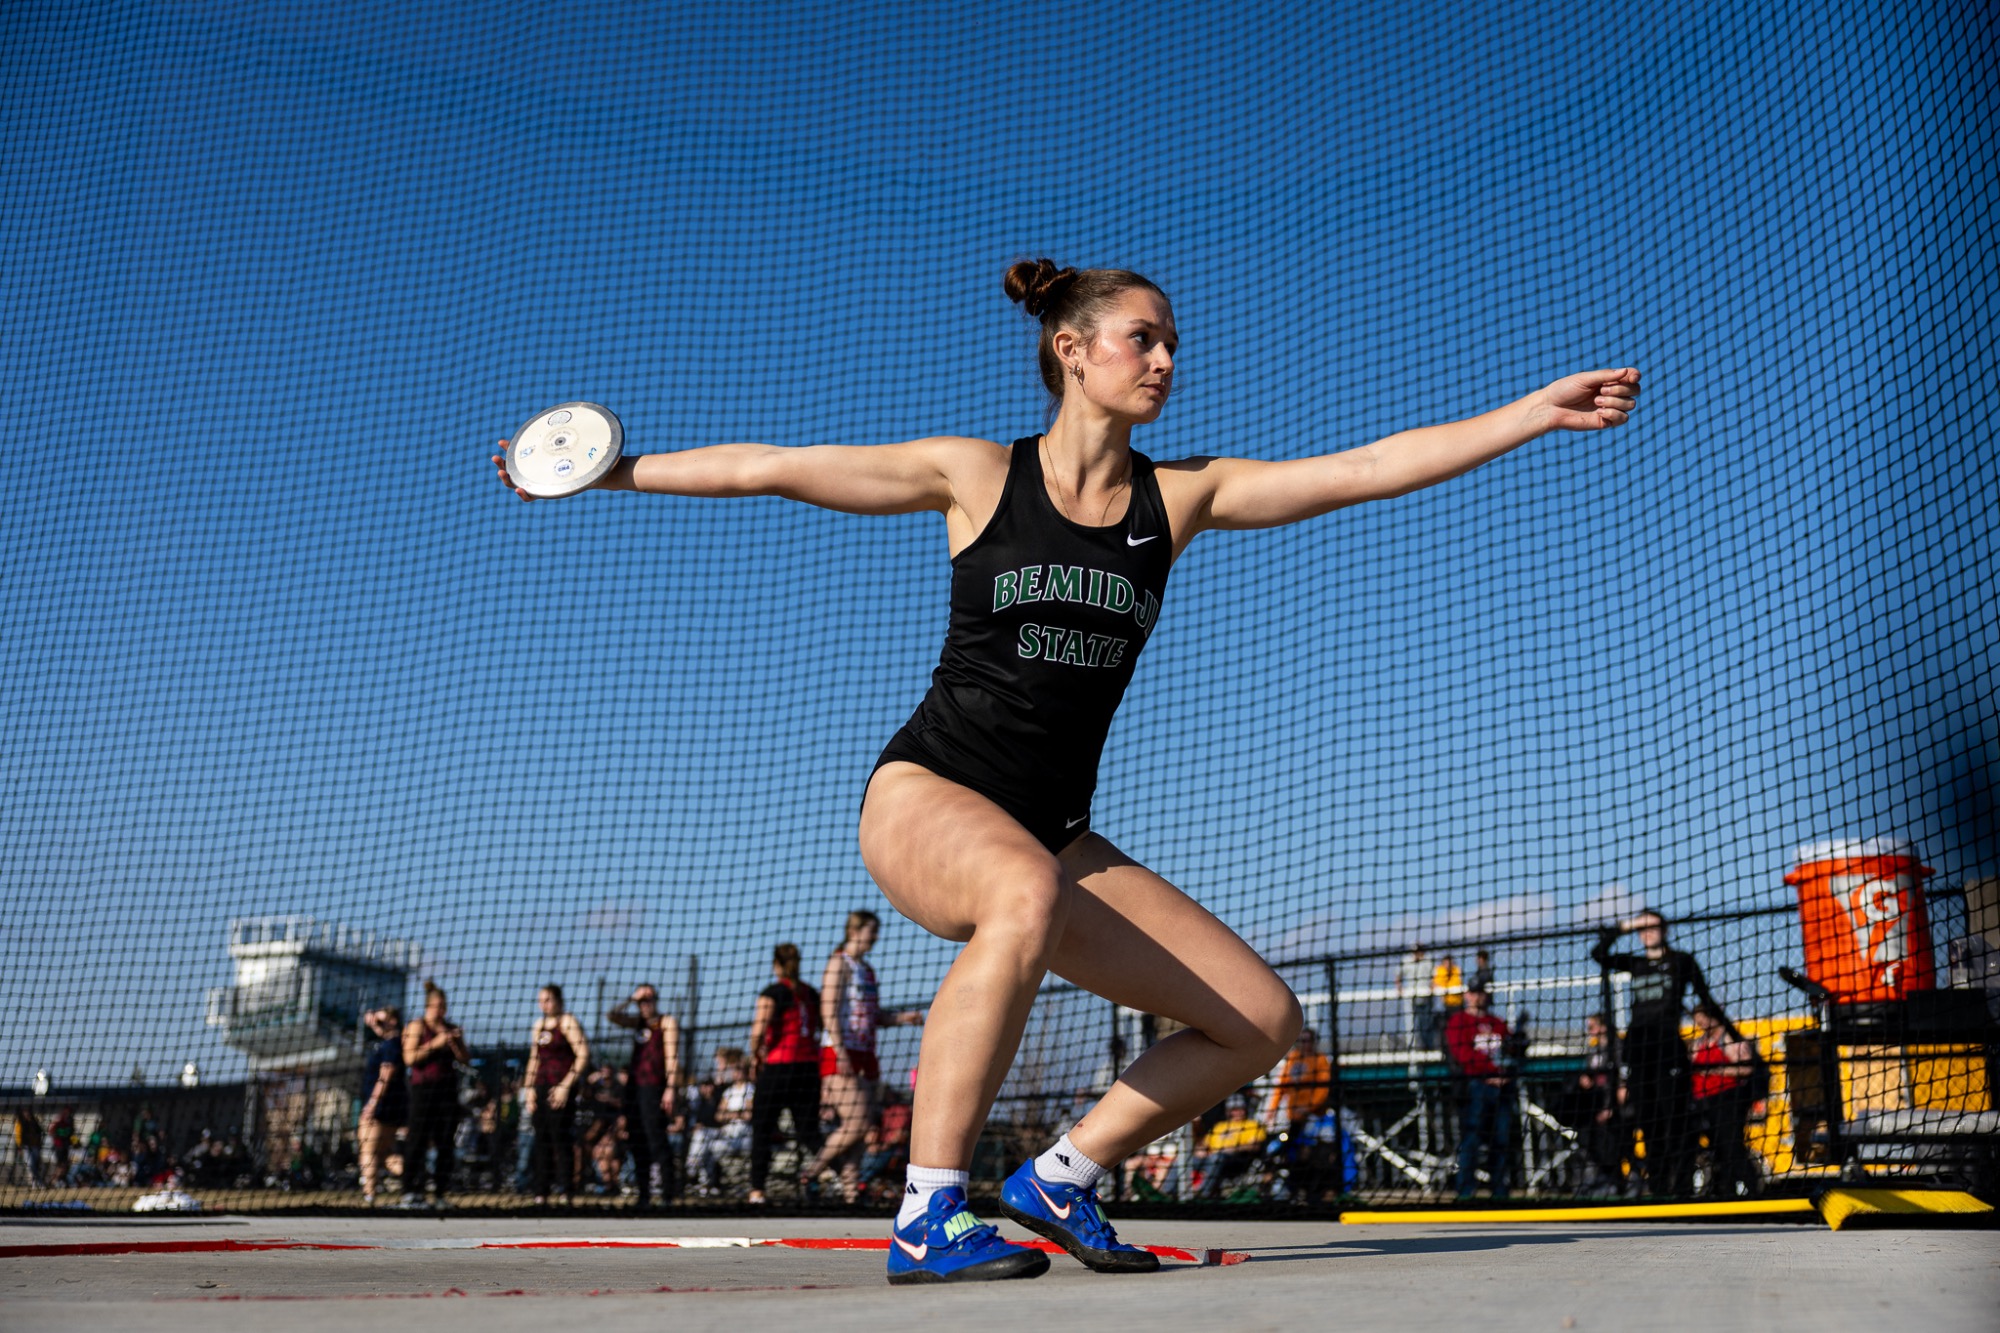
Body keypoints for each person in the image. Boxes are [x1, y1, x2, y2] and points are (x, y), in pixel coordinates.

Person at [492, 258, 1641, 1283]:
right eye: (1141, 337)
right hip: (926, 796)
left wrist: (1530, 413)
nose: (1164, 359)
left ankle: (1062, 1175)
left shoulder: (1177, 498)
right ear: (1070, 349)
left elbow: (1366, 467)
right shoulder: (975, 474)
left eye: (1172, 343)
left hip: (1050, 827)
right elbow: (773, 468)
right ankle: (928, 1210)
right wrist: (608, 471)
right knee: (1018, 891)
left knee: (1258, 1017)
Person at [1591, 911, 1739, 1197]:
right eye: (1641, 928)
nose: (1646, 933)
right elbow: (1599, 954)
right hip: (1639, 1051)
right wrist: (1624, 927)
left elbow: (1705, 998)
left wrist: (1734, 1034)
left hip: (1668, 1050)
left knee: (1677, 1122)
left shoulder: (1681, 961)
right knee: (1649, 1125)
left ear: (1664, 930)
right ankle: (1657, 1189)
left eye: (1651, 927)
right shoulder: (1635, 963)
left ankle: (1682, 1188)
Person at [806, 910, 924, 1201]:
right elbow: (828, 1011)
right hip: (840, 1052)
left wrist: (902, 1018)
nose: (875, 937)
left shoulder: (867, 970)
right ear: (855, 931)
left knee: (863, 1125)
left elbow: (874, 1016)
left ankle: (850, 1190)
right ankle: (810, 1173)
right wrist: (840, 1049)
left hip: (865, 1052)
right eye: (871, 930)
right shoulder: (838, 964)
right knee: (857, 1123)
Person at [746, 942, 825, 1205]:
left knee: (762, 1128)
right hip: (808, 1069)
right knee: (808, 1132)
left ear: (776, 965)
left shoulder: (773, 992)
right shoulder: (810, 993)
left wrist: (755, 1056)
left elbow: (758, 1031)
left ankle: (757, 1190)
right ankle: (841, 1174)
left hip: (780, 1067)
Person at [606, 982, 681, 1208]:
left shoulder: (666, 1022)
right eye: (641, 1002)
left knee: (656, 1139)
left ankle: (668, 1195)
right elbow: (611, 1015)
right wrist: (631, 998)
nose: (645, 1005)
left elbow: (672, 1058)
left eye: (649, 1000)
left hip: (654, 1088)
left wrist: (670, 1088)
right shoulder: (637, 1022)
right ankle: (644, 1195)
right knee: (637, 1142)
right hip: (634, 1090)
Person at [1444, 983, 1516, 1199]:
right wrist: (1490, 1073)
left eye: (1481, 993)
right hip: (1475, 1086)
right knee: (1471, 1139)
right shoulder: (1459, 1021)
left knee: (1501, 1140)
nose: (1477, 997)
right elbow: (1463, 1054)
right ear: (1467, 995)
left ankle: (1500, 1192)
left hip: (1501, 1088)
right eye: (1473, 993)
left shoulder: (1497, 1023)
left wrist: (1505, 1071)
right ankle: (1465, 1192)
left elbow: (1511, 1048)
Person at [401, 981, 468, 1206]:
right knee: (417, 1139)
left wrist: (456, 1043)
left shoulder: (449, 1028)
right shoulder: (418, 1026)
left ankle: (440, 1191)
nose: (440, 1011)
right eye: (436, 1006)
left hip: (447, 1091)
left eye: (443, 1006)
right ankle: (411, 1190)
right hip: (423, 1089)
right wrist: (435, 1044)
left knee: (445, 1141)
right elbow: (409, 1058)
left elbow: (465, 1059)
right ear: (428, 1006)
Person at [522, 982, 589, 1206]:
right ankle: (541, 1192)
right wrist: (529, 1089)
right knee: (541, 1140)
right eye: (540, 1001)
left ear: (558, 1000)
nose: (543, 1005)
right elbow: (534, 1058)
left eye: (548, 1000)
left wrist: (565, 1085)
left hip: (561, 1089)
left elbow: (582, 1055)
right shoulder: (538, 1025)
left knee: (561, 1139)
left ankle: (566, 1191)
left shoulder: (567, 1022)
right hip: (541, 1087)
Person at [1688, 1002, 1759, 1198]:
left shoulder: (1729, 1038)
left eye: (1703, 1020)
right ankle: (1721, 1190)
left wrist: (1718, 1070)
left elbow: (1746, 1068)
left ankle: (1750, 1189)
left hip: (1728, 1099)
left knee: (1731, 1146)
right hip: (1703, 1102)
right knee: (1714, 1149)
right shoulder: (1700, 1042)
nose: (1701, 1025)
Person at [357, 1006, 407, 1206]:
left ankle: (369, 1196)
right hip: (390, 1106)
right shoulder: (389, 1043)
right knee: (385, 1154)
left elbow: (385, 1076)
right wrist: (373, 1020)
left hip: (382, 1107)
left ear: (393, 1020)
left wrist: (372, 1104)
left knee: (368, 1152)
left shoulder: (391, 1045)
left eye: (382, 1019)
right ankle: (414, 1179)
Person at [1261, 1027, 1332, 1142]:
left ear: (1314, 1042)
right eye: (1301, 1041)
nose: (1304, 1044)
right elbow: (1282, 1086)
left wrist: (1308, 1107)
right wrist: (1272, 1108)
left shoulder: (1320, 1060)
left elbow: (1323, 1090)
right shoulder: (1293, 1057)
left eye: (1307, 1041)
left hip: (1314, 1115)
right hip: (1292, 1114)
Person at [1191, 1096, 1268, 1198]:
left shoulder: (1252, 1125)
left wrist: (1232, 1149)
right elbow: (1204, 1144)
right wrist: (1200, 1150)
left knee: (1216, 1158)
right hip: (1211, 1157)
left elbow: (1255, 1146)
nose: (1238, 1113)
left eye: (1240, 1109)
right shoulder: (1220, 1126)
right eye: (1235, 1110)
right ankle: (1169, 1192)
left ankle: (1204, 1194)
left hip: (1235, 1160)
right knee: (1186, 1160)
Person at [1396, 945, 1433, 1049]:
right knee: (1411, 1026)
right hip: (1410, 998)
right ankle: (1412, 1048)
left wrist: (1432, 987)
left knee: (1426, 1024)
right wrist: (1399, 987)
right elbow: (1398, 975)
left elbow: (1434, 976)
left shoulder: (1428, 960)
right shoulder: (1406, 961)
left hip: (1426, 998)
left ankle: (1427, 1048)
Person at [1432, 952, 1466, 1049]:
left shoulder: (1457, 970)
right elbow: (1435, 985)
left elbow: (1459, 984)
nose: (1448, 965)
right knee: (1443, 1030)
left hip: (1457, 1005)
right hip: (1444, 1007)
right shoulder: (1439, 971)